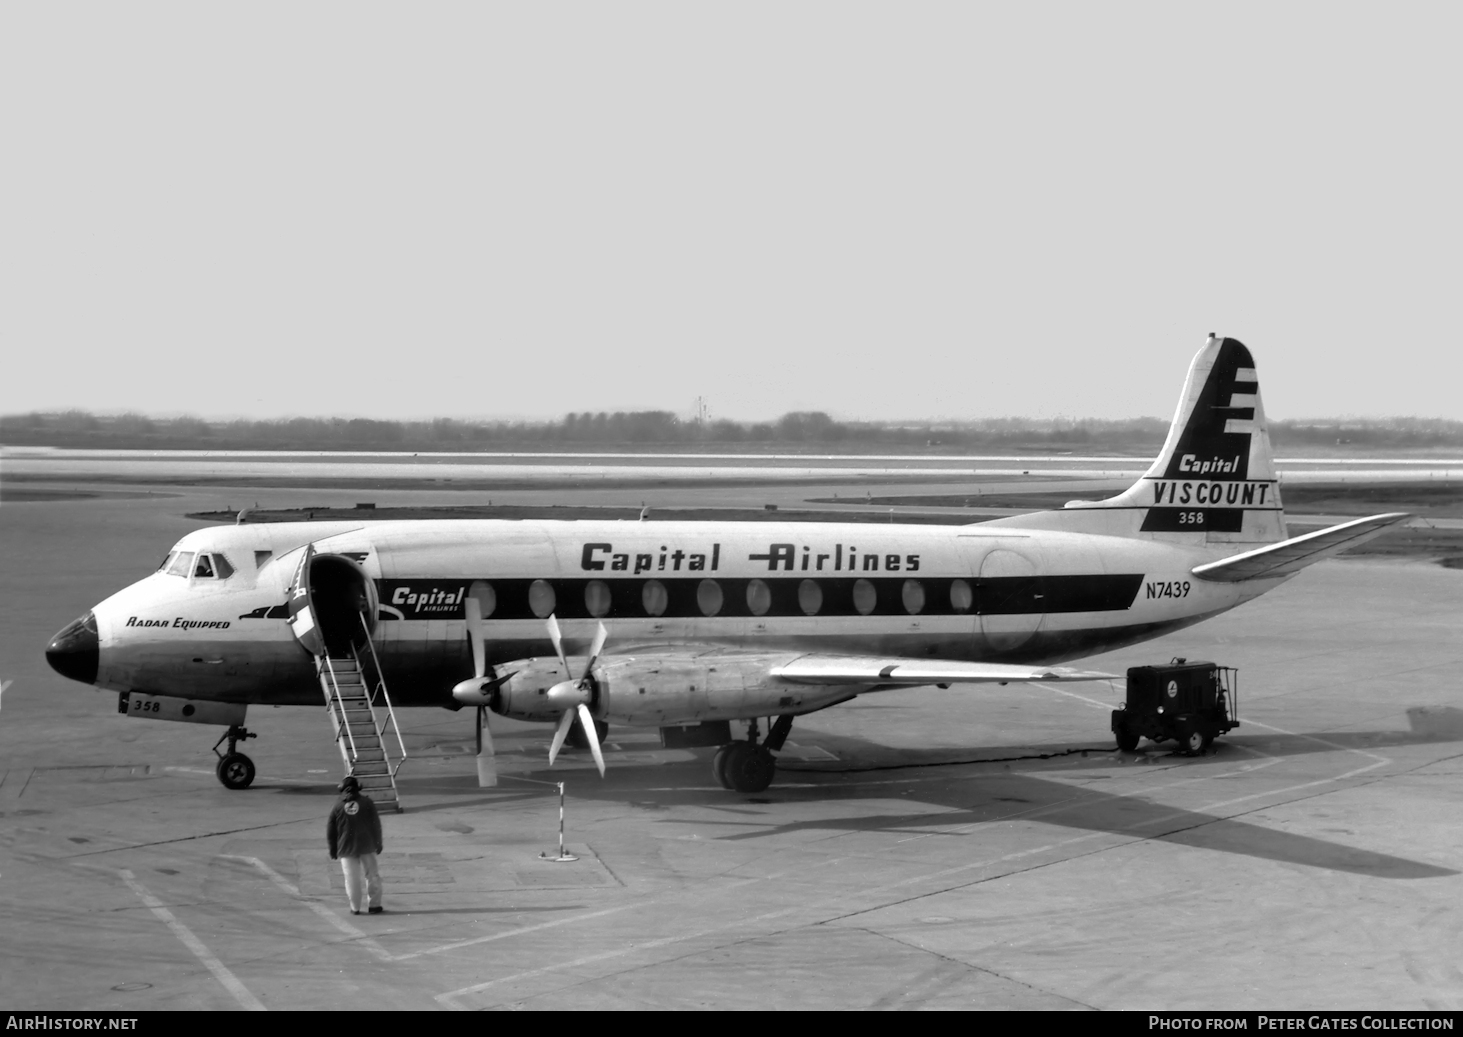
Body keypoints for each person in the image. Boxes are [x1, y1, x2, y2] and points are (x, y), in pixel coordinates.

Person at [326, 775, 384, 915]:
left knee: (351, 879)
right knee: (372, 876)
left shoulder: (337, 806)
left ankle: (355, 908)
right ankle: (374, 905)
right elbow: (376, 825)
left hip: (346, 848)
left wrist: (333, 849)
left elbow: (330, 830)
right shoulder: (367, 803)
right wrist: (378, 843)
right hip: (367, 845)